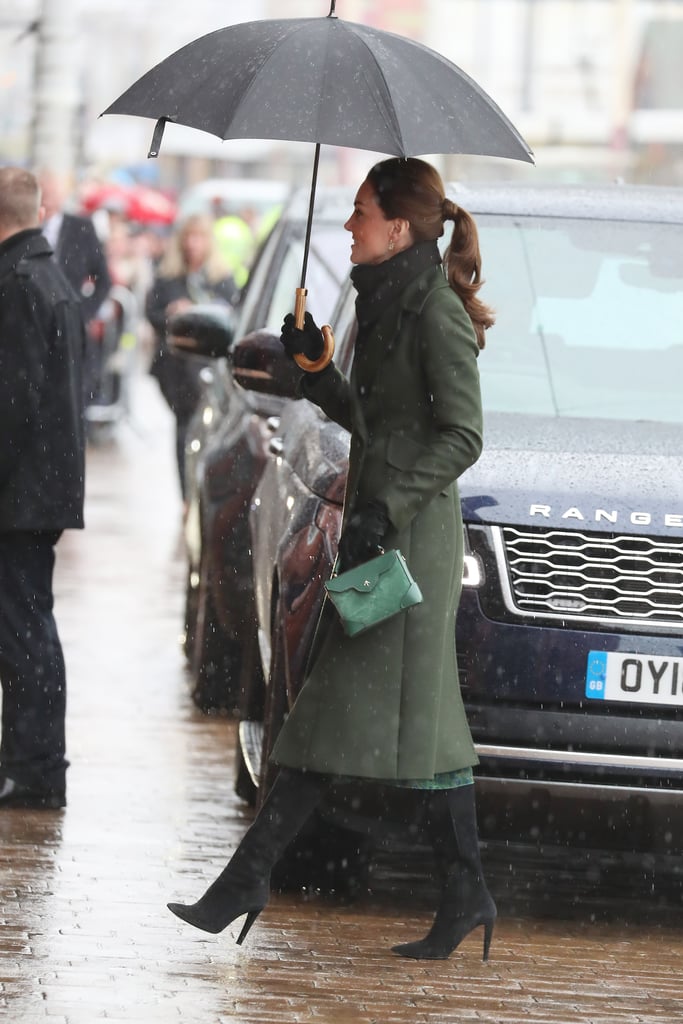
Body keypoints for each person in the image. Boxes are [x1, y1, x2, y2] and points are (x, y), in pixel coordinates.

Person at [167, 157, 496, 961]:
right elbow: (372, 421)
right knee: (424, 731)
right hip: (380, 531)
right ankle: (465, 893)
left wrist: (389, 504)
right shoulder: (387, 304)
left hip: (406, 544)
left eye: (358, 213)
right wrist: (316, 368)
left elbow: (462, 435)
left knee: (324, 715)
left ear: (398, 227)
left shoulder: (434, 314)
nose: (347, 226)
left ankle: (245, 880)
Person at [0, 167, 86, 809]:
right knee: (29, 627)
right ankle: (34, 762)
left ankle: (33, 768)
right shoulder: (43, 275)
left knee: (24, 630)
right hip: (36, 490)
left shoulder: (22, 282)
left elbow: (13, 403)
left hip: (21, 495)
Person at [145, 214, 239, 499]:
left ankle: (201, 491)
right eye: (188, 238)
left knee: (207, 432)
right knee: (184, 430)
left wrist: (199, 307)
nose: (193, 245)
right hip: (176, 367)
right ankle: (186, 494)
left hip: (208, 366)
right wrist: (173, 315)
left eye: (199, 238)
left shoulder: (221, 278)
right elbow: (152, 313)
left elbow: (231, 314)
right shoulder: (169, 276)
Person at [37, 170, 112, 404]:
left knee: (73, 399)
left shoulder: (81, 228)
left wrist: (84, 312)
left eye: (51, 193)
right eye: (42, 193)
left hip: (71, 329)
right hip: (34, 329)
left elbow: (103, 278)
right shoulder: (25, 230)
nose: (47, 199)